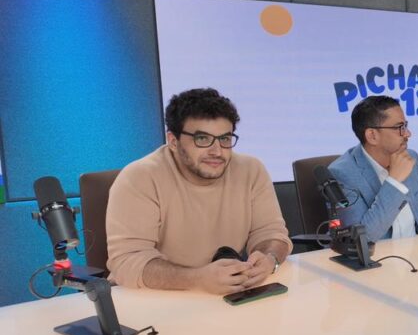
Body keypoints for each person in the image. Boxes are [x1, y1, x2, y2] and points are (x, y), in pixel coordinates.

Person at [106, 88, 292, 294]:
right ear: (173, 141)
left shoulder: (251, 169)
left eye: (225, 139)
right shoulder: (138, 178)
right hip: (147, 297)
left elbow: (272, 233)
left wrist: (269, 259)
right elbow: (127, 261)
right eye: (202, 139)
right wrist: (197, 279)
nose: (217, 151)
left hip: (223, 293)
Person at [328, 95, 418, 242]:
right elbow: (361, 238)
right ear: (372, 135)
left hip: (417, 249)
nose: (408, 134)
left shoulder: (408, 157)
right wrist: (394, 182)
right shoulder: (342, 174)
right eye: (399, 127)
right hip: (380, 254)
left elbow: (417, 199)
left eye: (405, 126)